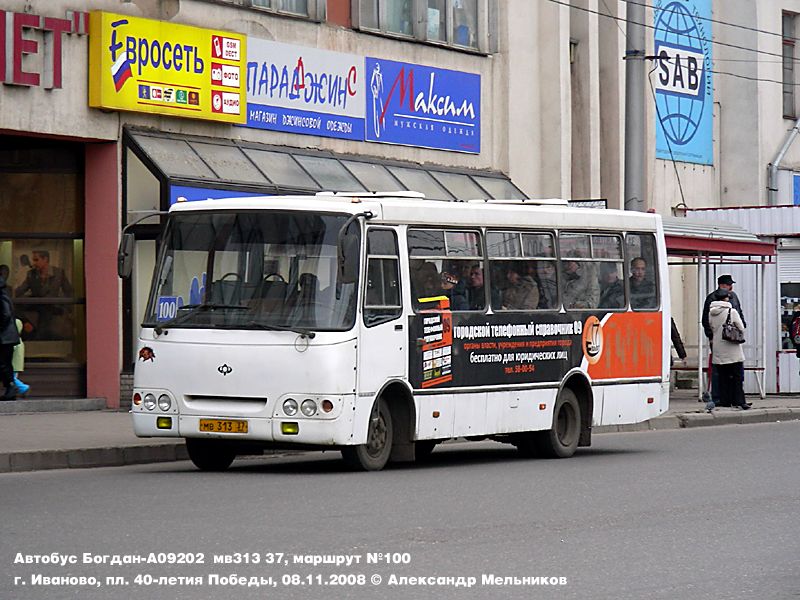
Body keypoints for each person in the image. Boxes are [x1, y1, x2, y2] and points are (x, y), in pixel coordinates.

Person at [701, 274, 746, 406]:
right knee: (733, 372)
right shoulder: (721, 302)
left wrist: (712, 336)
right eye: (728, 285)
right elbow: (740, 320)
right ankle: (733, 399)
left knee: (721, 371)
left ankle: (723, 399)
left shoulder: (713, 305)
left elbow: (707, 321)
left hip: (718, 342)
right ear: (721, 285)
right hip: (732, 341)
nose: (730, 287)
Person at [14, 250, 74, 340]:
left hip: (51, 304)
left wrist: (68, 307)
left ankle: (40, 337)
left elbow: (68, 290)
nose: (34, 263)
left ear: (45, 259)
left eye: (36, 260)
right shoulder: (31, 274)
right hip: (37, 303)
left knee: (46, 310)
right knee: (13, 304)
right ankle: (28, 325)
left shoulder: (58, 273)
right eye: (33, 260)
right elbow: (21, 290)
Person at [708, 289, 749, 410]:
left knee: (723, 377)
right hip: (732, 348)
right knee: (736, 377)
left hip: (718, 348)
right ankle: (739, 401)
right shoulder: (732, 311)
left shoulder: (711, 313)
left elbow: (712, 327)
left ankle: (725, 400)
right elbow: (741, 328)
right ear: (726, 298)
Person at [0, 275, 21, 401]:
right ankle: (11, 388)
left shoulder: (1, 298)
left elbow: (5, 315)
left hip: (4, 338)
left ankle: (11, 387)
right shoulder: (5, 297)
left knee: (3, 364)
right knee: (5, 364)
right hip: (7, 337)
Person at [12, 318, 29, 397]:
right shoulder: (19, 340)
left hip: (12, 365)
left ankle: (23, 388)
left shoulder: (13, 341)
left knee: (11, 378)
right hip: (16, 364)